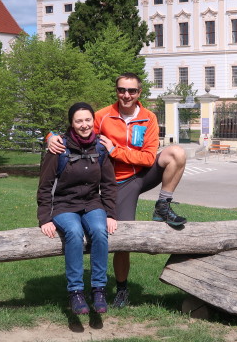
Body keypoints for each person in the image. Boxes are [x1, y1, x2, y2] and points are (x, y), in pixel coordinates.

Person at [47, 73, 187, 309]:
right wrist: (49, 137)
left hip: (143, 173)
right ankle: (122, 288)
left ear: (139, 93)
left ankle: (163, 204)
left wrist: (115, 150)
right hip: (119, 183)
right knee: (122, 237)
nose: (126, 95)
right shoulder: (102, 115)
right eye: (122, 90)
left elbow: (147, 157)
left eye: (132, 91)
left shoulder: (148, 117)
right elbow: (75, 128)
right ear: (117, 91)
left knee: (177, 154)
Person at [38, 102, 118, 315]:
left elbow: (109, 185)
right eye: (79, 121)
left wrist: (110, 214)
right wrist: (45, 219)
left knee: (100, 231)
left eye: (88, 120)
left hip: (93, 204)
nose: (84, 125)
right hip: (65, 206)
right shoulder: (59, 149)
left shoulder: (101, 148)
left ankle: (99, 289)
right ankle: (76, 292)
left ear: (94, 120)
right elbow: (45, 186)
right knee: (73, 232)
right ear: (72, 124)